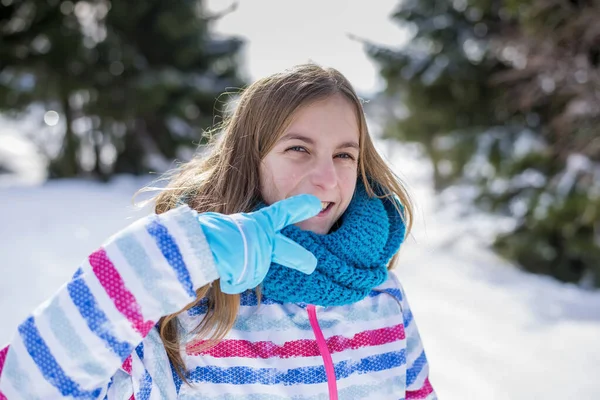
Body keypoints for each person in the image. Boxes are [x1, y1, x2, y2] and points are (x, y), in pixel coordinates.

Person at [0, 64, 437, 399]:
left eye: (344, 155)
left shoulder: (382, 293)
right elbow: (23, 386)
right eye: (298, 149)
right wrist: (173, 256)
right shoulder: (181, 300)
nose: (327, 179)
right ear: (249, 160)